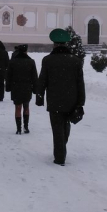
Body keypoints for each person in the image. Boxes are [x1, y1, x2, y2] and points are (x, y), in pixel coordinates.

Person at [36, 29, 85, 166]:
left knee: (57, 128)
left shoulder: (48, 60)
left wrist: (39, 97)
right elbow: (80, 83)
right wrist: (80, 102)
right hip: (71, 100)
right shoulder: (75, 61)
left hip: (54, 101)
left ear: (54, 44)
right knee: (66, 125)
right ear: (66, 44)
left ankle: (59, 156)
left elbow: (42, 80)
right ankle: (62, 146)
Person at [6, 44, 38, 134]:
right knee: (26, 106)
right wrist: (35, 88)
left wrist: (8, 87)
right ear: (26, 51)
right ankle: (26, 127)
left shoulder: (13, 62)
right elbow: (34, 77)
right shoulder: (31, 62)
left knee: (18, 107)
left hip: (16, 87)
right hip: (27, 87)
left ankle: (18, 128)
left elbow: (8, 76)